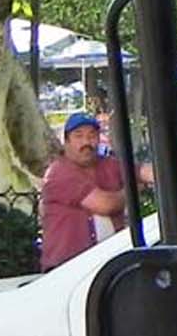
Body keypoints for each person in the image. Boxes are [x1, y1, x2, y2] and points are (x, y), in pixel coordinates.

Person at [38, 112, 127, 271]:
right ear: (66, 141)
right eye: (78, 136)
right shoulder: (59, 173)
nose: (86, 142)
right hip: (67, 269)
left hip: (104, 265)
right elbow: (105, 205)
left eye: (92, 135)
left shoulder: (108, 165)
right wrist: (131, 192)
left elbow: (143, 172)